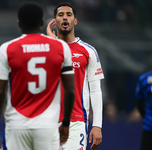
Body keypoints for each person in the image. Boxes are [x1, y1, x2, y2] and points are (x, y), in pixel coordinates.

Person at [0, 2, 75, 150]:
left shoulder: (7, 49)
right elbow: (70, 91)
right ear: (42, 22)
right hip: (47, 125)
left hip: (17, 125)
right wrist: (66, 124)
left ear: (19, 24)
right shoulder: (60, 47)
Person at [46, 2, 104, 150]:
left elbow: (96, 90)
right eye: (60, 15)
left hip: (76, 122)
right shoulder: (47, 49)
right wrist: (53, 44)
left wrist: (97, 124)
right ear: (55, 21)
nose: (65, 18)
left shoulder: (88, 51)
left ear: (75, 21)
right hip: (47, 121)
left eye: (69, 15)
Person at [135, 70, 152, 150]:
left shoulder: (143, 78)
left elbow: (139, 103)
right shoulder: (143, 78)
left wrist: (145, 117)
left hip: (149, 125)